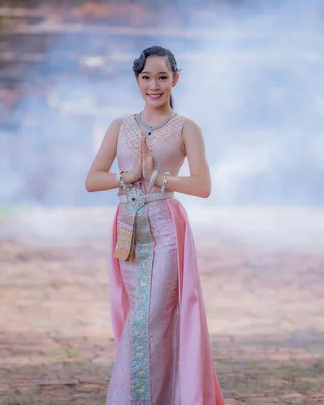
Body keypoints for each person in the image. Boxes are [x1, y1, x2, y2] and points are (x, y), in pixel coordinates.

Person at [85, 46, 225, 405]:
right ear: (137, 80)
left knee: (148, 321)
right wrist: (128, 176)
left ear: (175, 80)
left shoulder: (186, 128)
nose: (154, 85)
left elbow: (202, 186)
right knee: (139, 318)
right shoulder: (120, 126)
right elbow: (92, 179)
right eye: (146, 77)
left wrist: (160, 178)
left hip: (165, 231)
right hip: (128, 231)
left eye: (162, 77)